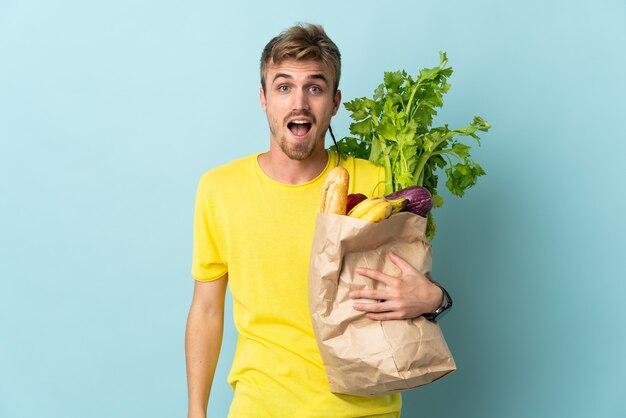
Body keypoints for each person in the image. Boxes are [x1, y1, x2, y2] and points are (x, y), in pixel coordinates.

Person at [185, 23, 449, 418]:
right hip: (260, 408)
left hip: (364, 410)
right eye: (284, 86)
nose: (299, 104)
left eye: (315, 87)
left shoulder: (377, 184)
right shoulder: (219, 189)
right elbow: (206, 310)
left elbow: (401, 291)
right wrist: (195, 411)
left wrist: (436, 299)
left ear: (335, 100)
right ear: (263, 98)